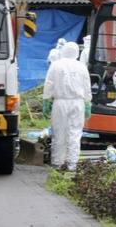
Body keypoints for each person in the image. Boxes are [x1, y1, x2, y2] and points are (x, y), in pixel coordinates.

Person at [43, 41, 91, 171]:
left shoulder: (56, 65)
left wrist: (46, 101)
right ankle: (72, 164)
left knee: (59, 132)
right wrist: (88, 103)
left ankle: (58, 163)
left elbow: (49, 83)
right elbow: (87, 86)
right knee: (75, 134)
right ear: (77, 52)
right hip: (78, 103)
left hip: (60, 102)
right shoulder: (81, 67)